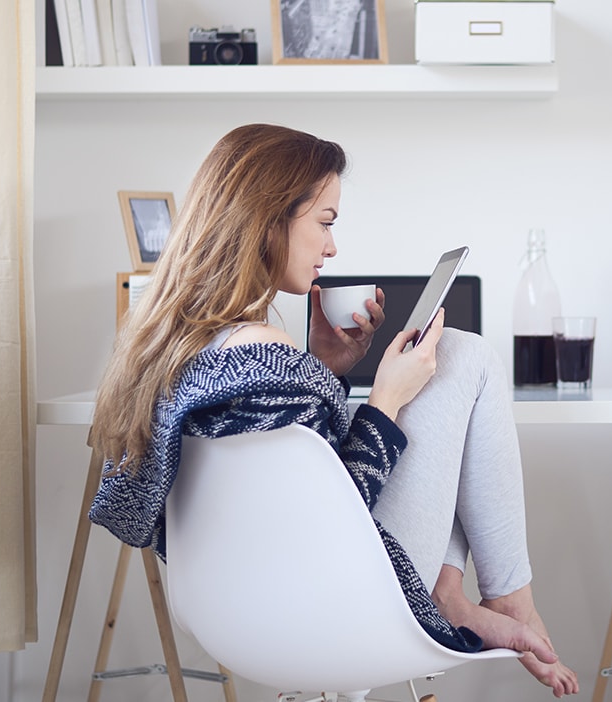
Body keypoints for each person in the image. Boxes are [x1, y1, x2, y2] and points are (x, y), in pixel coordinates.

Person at [89, 123, 578, 697]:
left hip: (230, 608)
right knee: (464, 357)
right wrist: (386, 398)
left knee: (449, 383)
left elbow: (286, 486)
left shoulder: (185, 347)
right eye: (324, 222)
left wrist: (324, 370)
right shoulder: (265, 355)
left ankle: (455, 595)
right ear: (266, 219)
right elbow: (335, 521)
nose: (332, 246)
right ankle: (508, 597)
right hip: (333, 599)